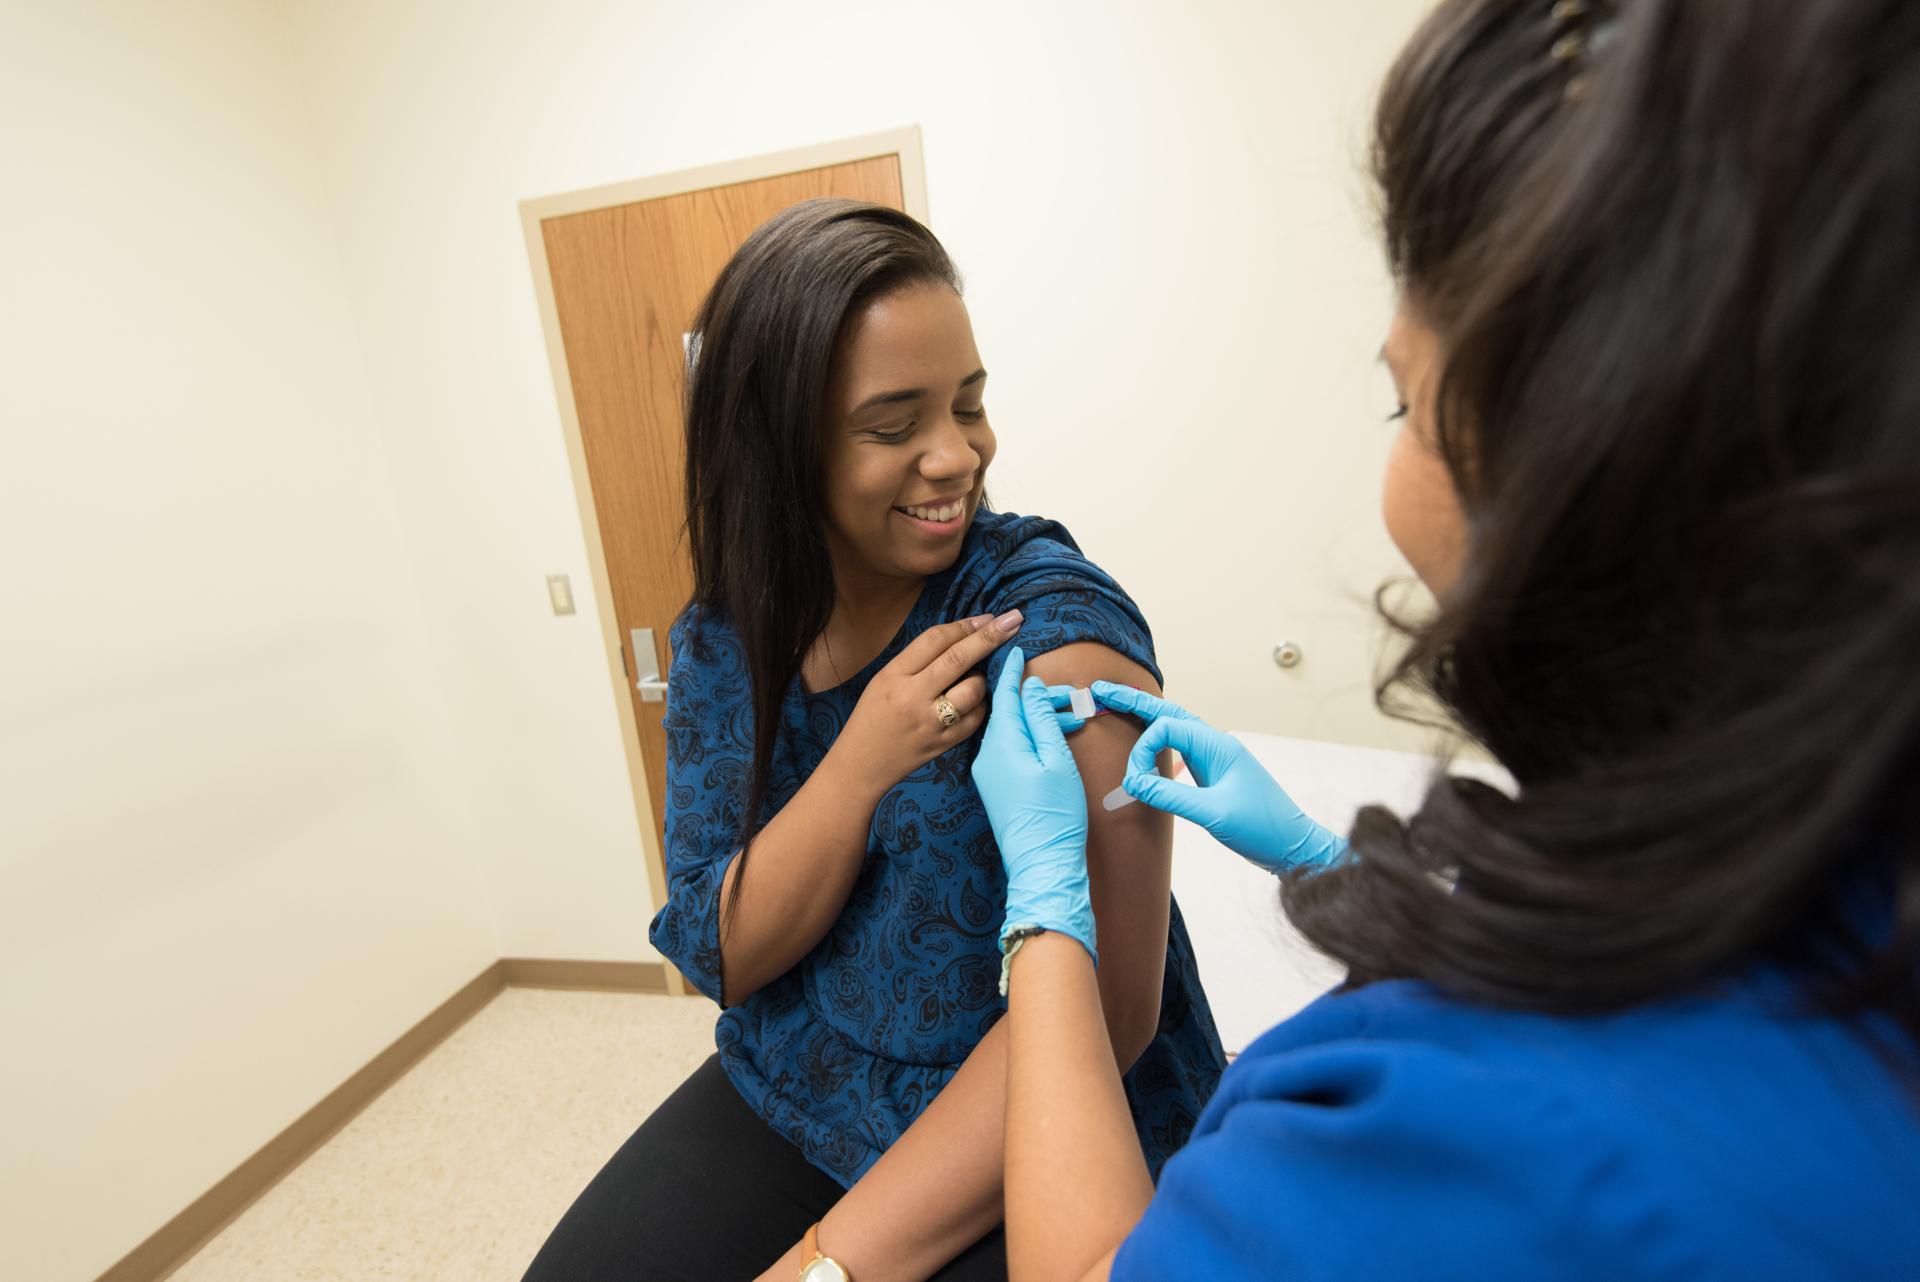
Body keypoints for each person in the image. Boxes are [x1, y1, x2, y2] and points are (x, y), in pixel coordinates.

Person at [971, 0, 1920, 1278]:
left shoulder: (1469, 1131)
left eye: (1406, 399)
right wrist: (1339, 871)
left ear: (1592, 460)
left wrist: (1044, 907)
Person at [521, 200, 1224, 1282]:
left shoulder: (1051, 631)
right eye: (895, 425)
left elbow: (1115, 1013)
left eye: (971, 404)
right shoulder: (729, 636)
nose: (957, 455)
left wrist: (825, 1265)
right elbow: (724, 949)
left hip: (1048, 1102)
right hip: (807, 1079)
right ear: (778, 448)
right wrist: (858, 765)